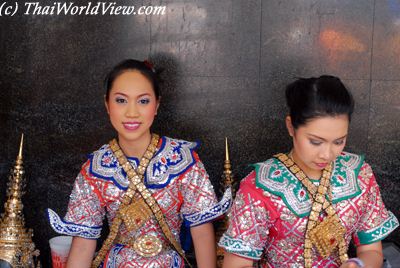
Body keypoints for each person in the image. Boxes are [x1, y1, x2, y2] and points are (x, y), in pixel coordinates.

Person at [47, 59, 231, 268]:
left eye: (143, 101)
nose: (132, 112)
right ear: (107, 104)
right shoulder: (95, 169)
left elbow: (202, 234)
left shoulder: (182, 160)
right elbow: (82, 246)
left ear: (157, 105)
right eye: (121, 100)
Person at [219, 75, 399, 268]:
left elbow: (371, 251)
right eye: (315, 141)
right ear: (291, 127)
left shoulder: (359, 175)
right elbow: (237, 264)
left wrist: (357, 264)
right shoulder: (261, 186)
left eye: (339, 141)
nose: (327, 154)